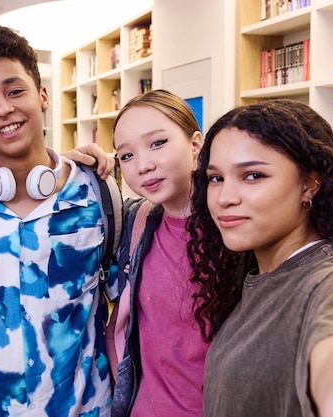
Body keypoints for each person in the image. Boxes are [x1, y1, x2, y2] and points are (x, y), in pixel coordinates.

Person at [0, 26, 117, 416]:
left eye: (15, 90)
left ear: (42, 95)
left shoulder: (100, 195)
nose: (3, 109)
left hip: (84, 407)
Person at [186, 99, 333, 417]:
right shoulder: (257, 271)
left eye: (253, 176)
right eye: (216, 178)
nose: (225, 198)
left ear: (310, 183)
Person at [108, 89, 207, 417]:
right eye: (126, 156)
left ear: (195, 145)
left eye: (158, 143)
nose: (143, 165)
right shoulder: (136, 222)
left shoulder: (237, 232)